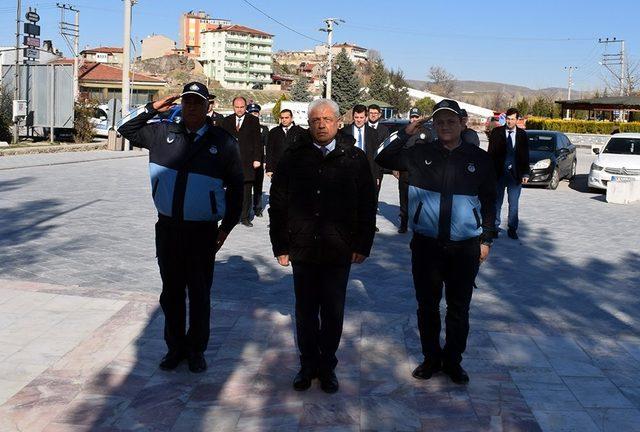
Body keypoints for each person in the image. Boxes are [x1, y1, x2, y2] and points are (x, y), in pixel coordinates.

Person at [117, 82, 244, 373]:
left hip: (203, 232)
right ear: (181, 104)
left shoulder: (223, 142)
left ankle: (196, 349)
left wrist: (226, 229)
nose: (192, 107)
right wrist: (153, 106)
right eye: (187, 102)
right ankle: (175, 348)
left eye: (198, 102)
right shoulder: (162, 133)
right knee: (171, 292)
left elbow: (237, 189)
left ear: (208, 106)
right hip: (169, 228)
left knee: (199, 293)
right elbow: (123, 127)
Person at [376, 99, 496, 385]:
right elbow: (382, 157)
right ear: (433, 125)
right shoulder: (419, 153)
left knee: (458, 308)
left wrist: (486, 239)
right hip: (427, 246)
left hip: (464, 247)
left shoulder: (478, 159)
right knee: (427, 306)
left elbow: (491, 202)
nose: (445, 126)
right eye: (440, 121)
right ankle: (431, 358)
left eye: (451, 121)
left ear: (462, 124)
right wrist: (406, 131)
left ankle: (453, 361)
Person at [269, 99, 377, 393]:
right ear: (309, 123)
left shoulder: (354, 158)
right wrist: (280, 244)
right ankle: (307, 366)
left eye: (327, 119)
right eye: (316, 119)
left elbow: (368, 205)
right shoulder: (293, 156)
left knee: (332, 311)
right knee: (304, 311)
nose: (321, 124)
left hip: (338, 248)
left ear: (338, 122)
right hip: (302, 247)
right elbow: (277, 203)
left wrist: (363, 244)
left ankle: (327, 365)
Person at [487, 107, 529, 240]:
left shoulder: (522, 135)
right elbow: (491, 154)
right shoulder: (496, 132)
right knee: (497, 202)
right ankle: (494, 227)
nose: (510, 122)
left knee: (514, 203)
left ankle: (512, 228)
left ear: (517, 120)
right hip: (499, 174)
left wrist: (526, 174)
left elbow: (525, 156)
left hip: (515, 176)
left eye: (512, 119)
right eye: (508, 119)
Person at [222, 96, 262, 227]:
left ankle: (245, 217)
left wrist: (257, 159)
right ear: (233, 107)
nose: (239, 110)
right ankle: (230, 216)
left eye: (242, 107)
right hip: (231, 163)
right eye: (237, 107)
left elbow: (258, 141)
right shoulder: (226, 121)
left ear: (245, 107)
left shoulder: (253, 120)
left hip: (247, 162)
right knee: (230, 191)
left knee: (246, 191)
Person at [341, 104, 382, 231]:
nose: (358, 120)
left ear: (366, 117)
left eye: (361, 117)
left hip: (367, 171)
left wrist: (377, 175)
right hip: (349, 172)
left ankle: (370, 223)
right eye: (356, 117)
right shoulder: (344, 132)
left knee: (369, 200)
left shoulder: (373, 133)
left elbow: (377, 156)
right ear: (353, 117)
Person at [395, 107, 422, 233]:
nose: (414, 119)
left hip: (419, 173)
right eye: (412, 117)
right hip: (404, 171)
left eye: (416, 117)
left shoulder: (426, 132)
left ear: (420, 117)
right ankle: (403, 224)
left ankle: (418, 224)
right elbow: (397, 150)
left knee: (418, 201)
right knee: (404, 199)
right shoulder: (403, 131)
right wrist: (395, 168)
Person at [265, 109, 305, 177]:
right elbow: (269, 151)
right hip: (277, 169)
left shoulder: (300, 132)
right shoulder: (274, 132)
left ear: (291, 118)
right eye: (282, 118)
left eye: (286, 117)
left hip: (295, 169)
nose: (284, 120)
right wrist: (269, 169)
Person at [247, 103, 268, 217]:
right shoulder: (243, 128)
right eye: (251, 113)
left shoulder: (263, 129)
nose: (254, 115)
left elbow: (266, 146)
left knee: (258, 186)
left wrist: (265, 161)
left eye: (256, 113)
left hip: (259, 161)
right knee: (246, 187)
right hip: (246, 162)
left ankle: (258, 208)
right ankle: (245, 210)